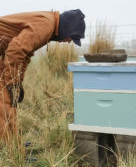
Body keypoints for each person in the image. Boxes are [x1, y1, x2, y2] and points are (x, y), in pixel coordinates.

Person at [0, 9, 86, 141]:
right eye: (71, 38)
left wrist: (18, 83)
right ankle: (12, 149)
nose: (69, 41)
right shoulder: (46, 25)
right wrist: (12, 84)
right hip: (6, 54)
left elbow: (25, 55)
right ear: (67, 28)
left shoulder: (48, 25)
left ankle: (12, 147)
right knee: (5, 101)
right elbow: (15, 51)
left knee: (7, 100)